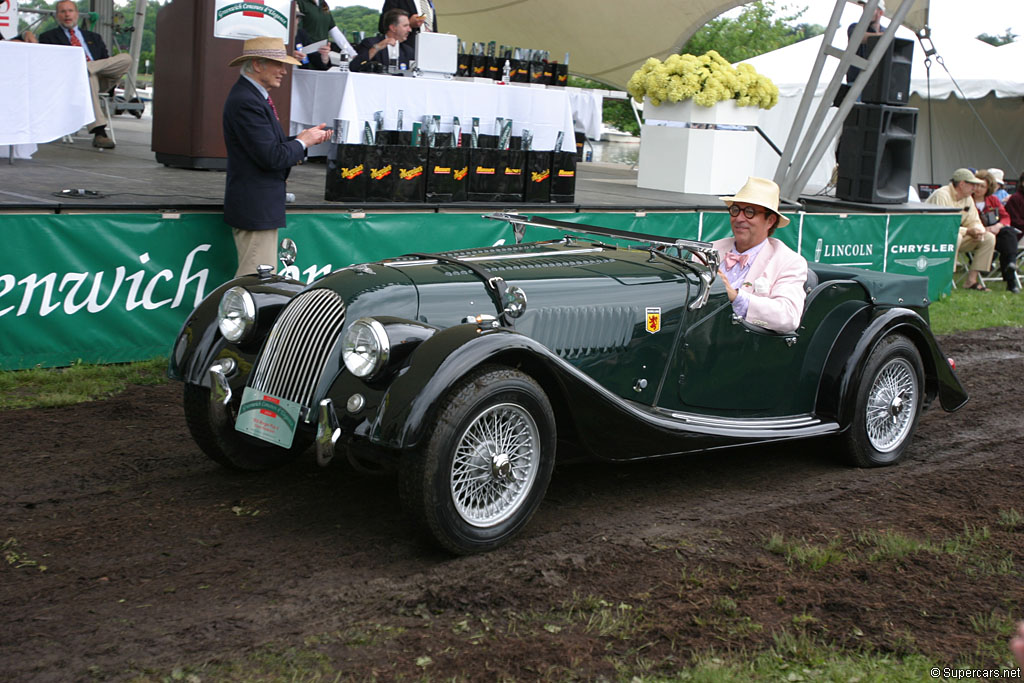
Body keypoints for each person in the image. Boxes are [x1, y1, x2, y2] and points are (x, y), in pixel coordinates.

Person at [222, 36, 332, 278]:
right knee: (255, 285)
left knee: (257, 282)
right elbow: (271, 157)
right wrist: (303, 142)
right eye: (278, 64)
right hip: (256, 208)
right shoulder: (247, 100)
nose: (284, 71)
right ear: (257, 64)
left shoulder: (250, 96)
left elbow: (268, 148)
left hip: (258, 207)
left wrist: (303, 138)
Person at [715, 177, 808, 334]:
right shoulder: (710, 249)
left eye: (750, 212)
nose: (739, 218)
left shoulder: (789, 262)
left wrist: (735, 297)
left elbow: (789, 317)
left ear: (770, 221)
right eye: (736, 210)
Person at [39, 0, 133, 149]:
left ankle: (85, 67)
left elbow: (105, 61)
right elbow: (50, 66)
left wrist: (86, 67)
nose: (67, 14)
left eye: (70, 11)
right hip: (72, 82)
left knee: (126, 58)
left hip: (102, 78)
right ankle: (99, 132)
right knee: (87, 77)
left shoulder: (94, 37)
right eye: (63, 11)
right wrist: (81, 71)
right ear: (57, 16)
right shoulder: (48, 38)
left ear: (77, 14)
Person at [925, 168, 997, 291]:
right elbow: (942, 226)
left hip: (954, 234)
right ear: (962, 184)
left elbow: (974, 220)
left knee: (989, 238)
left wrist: (978, 230)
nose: (975, 188)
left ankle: (971, 281)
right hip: (931, 237)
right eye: (972, 185)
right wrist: (968, 231)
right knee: (955, 237)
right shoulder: (942, 195)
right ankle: (945, 280)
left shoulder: (967, 198)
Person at [972, 169, 1019, 293]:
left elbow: (1005, 216)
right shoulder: (968, 201)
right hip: (977, 235)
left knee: (1008, 232)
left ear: (988, 188)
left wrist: (998, 226)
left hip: (995, 232)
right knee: (1006, 244)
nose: (978, 189)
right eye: (976, 185)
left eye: (982, 186)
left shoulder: (993, 200)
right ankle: (1011, 281)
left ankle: (1011, 265)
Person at [350, 9, 414, 73]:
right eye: (405, 26)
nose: (410, 30)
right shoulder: (370, 43)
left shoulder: (408, 50)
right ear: (393, 28)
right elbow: (354, 66)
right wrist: (377, 47)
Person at [846, 0, 885, 84]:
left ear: (880, 13)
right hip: (855, 82)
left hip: (877, 84)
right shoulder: (854, 27)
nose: (865, 11)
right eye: (864, 7)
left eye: (870, 8)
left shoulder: (885, 32)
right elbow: (857, 37)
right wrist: (884, 37)